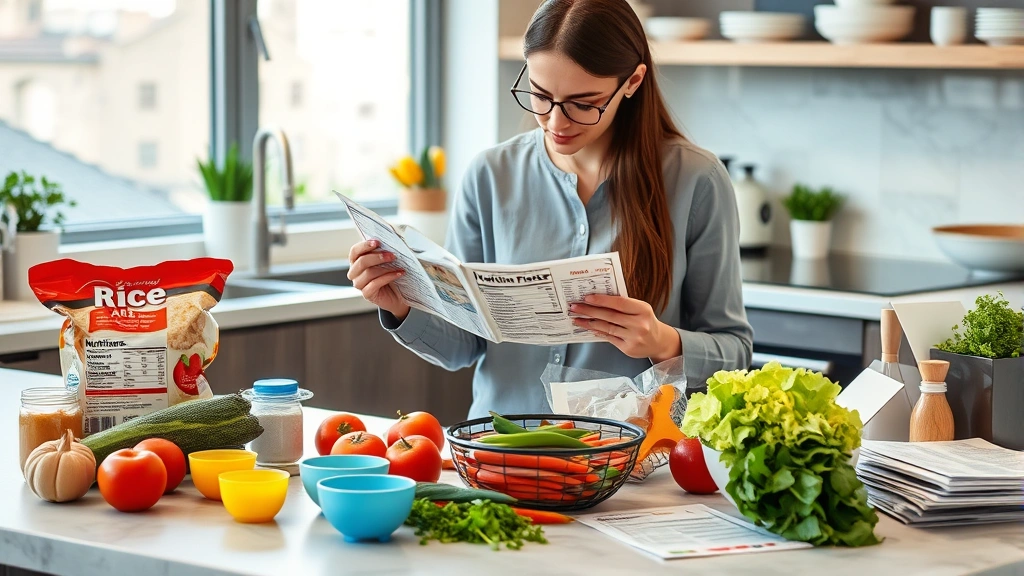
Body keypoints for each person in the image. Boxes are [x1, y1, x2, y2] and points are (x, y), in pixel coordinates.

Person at [348, 0, 753, 418]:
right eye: (540, 95)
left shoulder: (696, 180)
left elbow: (735, 353)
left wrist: (663, 342)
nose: (556, 122)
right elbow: (462, 346)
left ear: (631, 82)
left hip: (628, 465)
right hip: (499, 455)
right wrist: (400, 304)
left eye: (583, 102)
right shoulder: (489, 175)